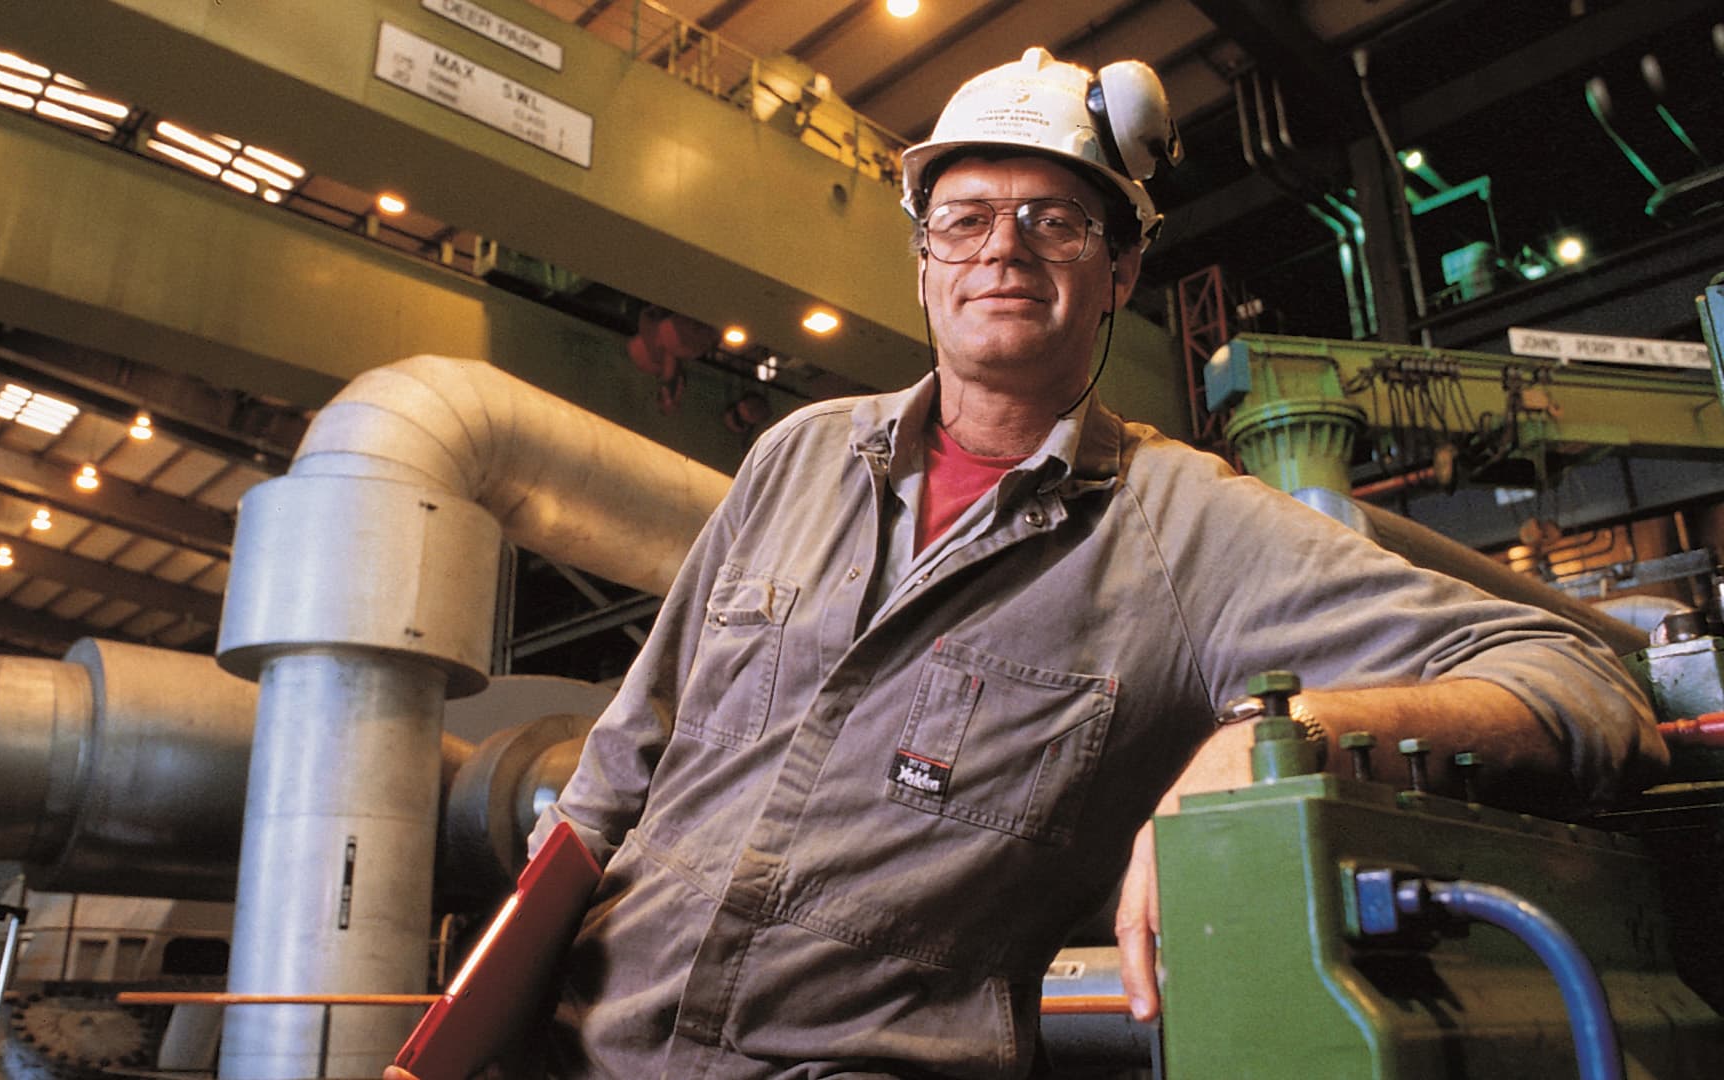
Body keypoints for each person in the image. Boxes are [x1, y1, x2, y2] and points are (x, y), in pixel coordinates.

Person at [524, 46, 1665, 1080]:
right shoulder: (796, 458)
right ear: (923, 262)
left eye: (1057, 220)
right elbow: (616, 776)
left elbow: (1576, 681)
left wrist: (1284, 735)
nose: (1003, 250)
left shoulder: (1190, 531)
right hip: (572, 1049)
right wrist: (469, 1027)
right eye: (965, 219)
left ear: (1121, 272)